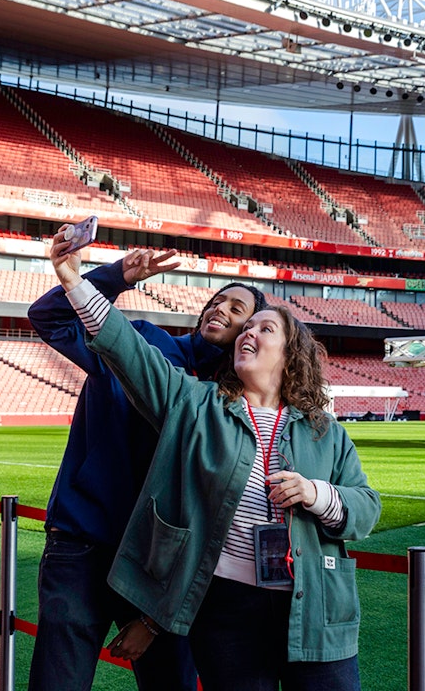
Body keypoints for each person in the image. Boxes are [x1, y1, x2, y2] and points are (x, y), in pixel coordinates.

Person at [48, 226, 381, 691]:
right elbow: (126, 349)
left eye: (264, 328)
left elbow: (366, 507)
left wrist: (317, 494)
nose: (248, 332)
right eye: (245, 329)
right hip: (226, 617)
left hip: (318, 613)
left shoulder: (326, 431)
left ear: (290, 355)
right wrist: (74, 281)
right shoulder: (197, 404)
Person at [28, 244, 265, 691]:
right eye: (216, 301)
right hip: (85, 541)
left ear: (251, 330)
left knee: (172, 685)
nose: (220, 309)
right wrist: (115, 276)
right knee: (58, 682)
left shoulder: (238, 403)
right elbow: (48, 318)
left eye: (237, 308)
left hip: (162, 565)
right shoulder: (141, 339)